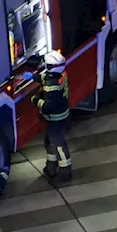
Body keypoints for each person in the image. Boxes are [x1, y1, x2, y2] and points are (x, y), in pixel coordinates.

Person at [31, 51, 72, 182]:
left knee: (58, 145)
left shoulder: (52, 85)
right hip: (60, 116)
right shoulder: (60, 75)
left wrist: (35, 100)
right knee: (50, 142)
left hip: (55, 118)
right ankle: (51, 167)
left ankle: (65, 172)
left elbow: (48, 106)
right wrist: (33, 77)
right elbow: (46, 77)